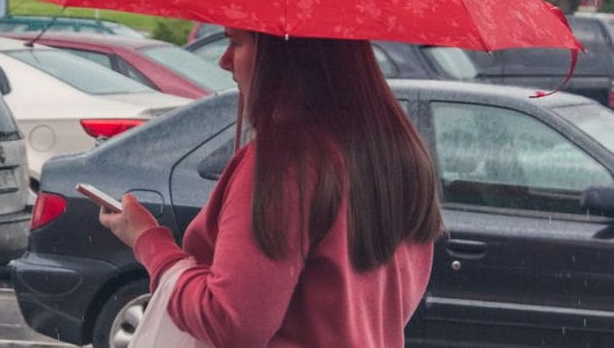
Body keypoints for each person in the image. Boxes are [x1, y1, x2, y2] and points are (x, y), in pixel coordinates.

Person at [99, 27, 444, 347]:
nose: (223, 60)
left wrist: (148, 241)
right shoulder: (399, 157)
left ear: (288, 56)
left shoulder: (285, 161)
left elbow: (230, 321)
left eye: (236, 43)